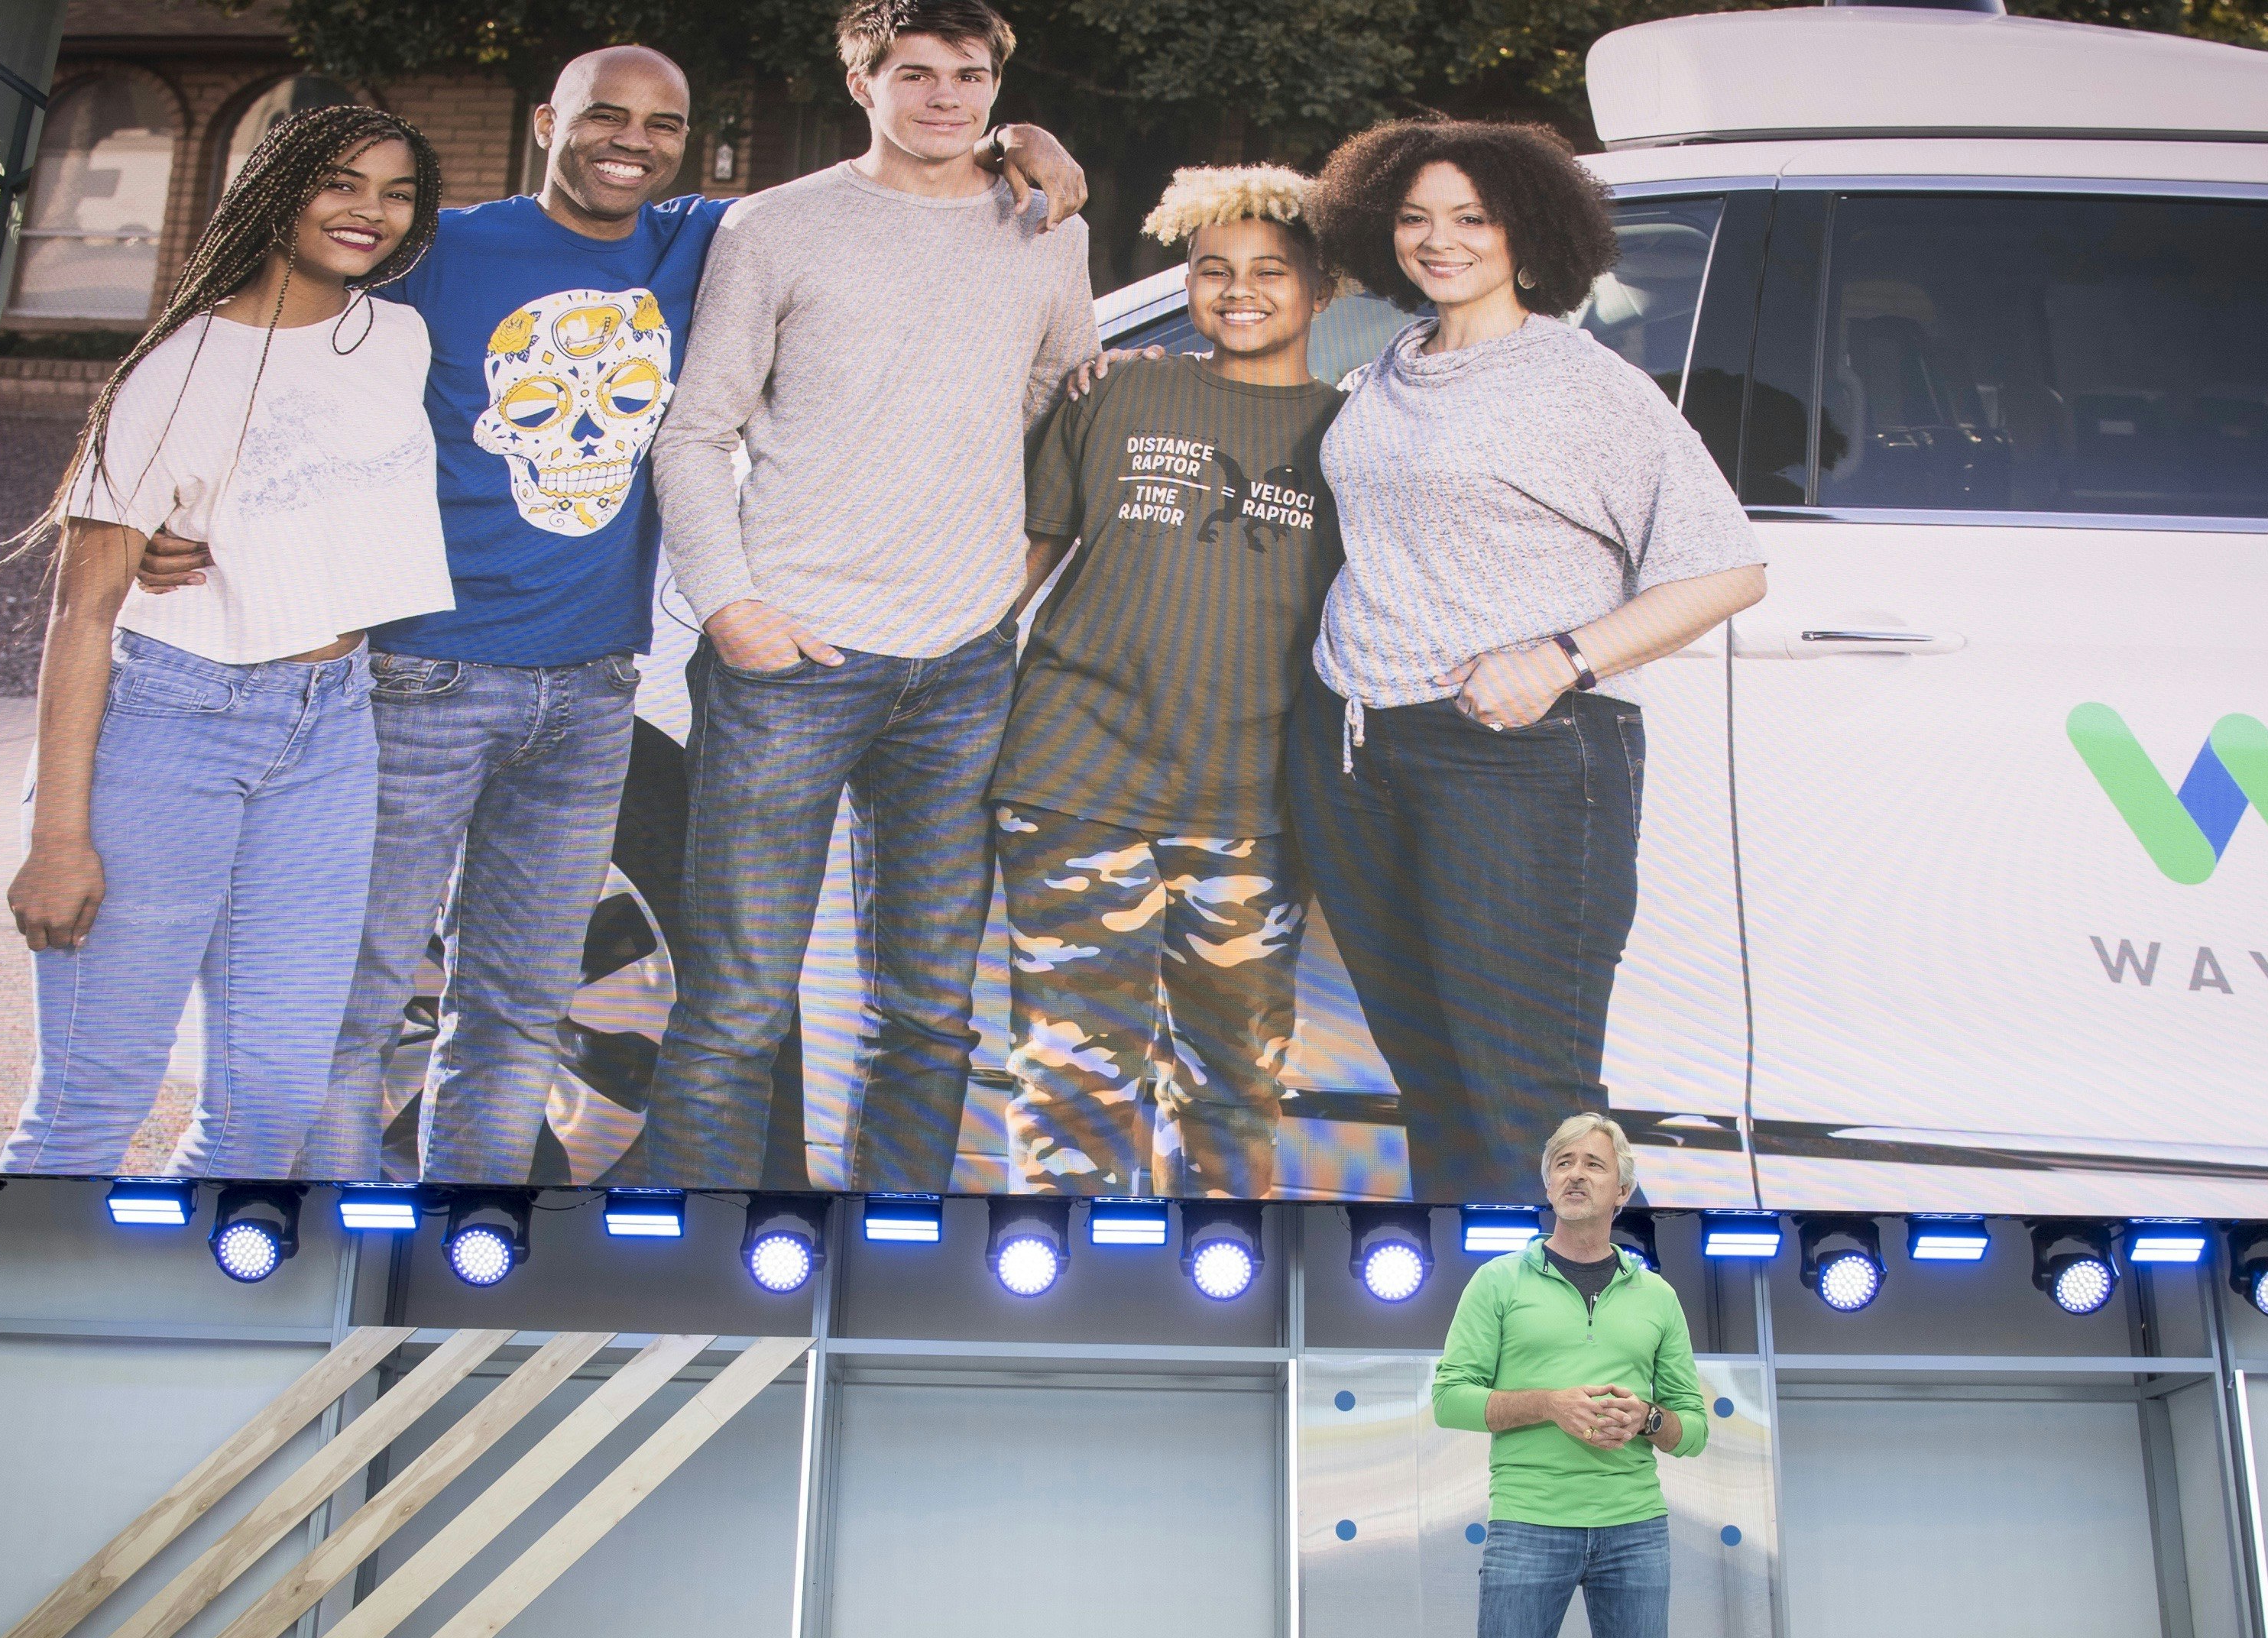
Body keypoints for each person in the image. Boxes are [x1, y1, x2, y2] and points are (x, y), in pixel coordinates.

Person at [131, 48, 1086, 1184]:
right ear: (547, 122)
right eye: (603, 117)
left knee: (514, 1013)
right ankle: (339, 1244)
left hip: (592, 685)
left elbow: (891, 209)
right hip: (424, 672)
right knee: (364, 997)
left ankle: (464, 1238)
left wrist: (1014, 143)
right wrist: (176, 500)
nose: (629, 140)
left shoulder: (698, 242)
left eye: (662, 124)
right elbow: (268, 348)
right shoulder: (445, 247)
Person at [647, 0, 1098, 1193]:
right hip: (792, 654)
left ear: (998, 91)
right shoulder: (777, 227)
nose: (945, 97)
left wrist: (1010, 584)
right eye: (915, 73)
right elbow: (695, 432)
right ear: (863, 84)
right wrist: (732, 607)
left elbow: (1060, 415)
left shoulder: (1046, 230)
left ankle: (889, 1251)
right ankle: (703, 1255)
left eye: (968, 76)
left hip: (962, 665)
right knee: (738, 1004)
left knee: (931, 1009)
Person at [1288, 121, 1767, 1205]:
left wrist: (1562, 657)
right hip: (1356, 748)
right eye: (1414, 218)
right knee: (1435, 1080)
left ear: (1528, 231)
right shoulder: (1392, 367)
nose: (1438, 240)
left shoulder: (1582, 385)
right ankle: (1484, 1350)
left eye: (1472, 218)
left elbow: (1728, 569)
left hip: (1515, 758)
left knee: (1529, 1095)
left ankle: (1610, 1358)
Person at [0, 108, 450, 1178]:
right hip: (171, 726)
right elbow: (81, 614)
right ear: (276, 191)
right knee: (89, 1103)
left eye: (394, 192)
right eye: (339, 183)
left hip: (334, 724)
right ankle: (7, 1326)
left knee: (272, 1106)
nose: (369, 212)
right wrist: (60, 840)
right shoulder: (175, 375)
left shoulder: (397, 336)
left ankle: (158, 1318)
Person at [996, 167, 1343, 1198]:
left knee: (1235, 1086)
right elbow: (1018, 562)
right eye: (1212, 270)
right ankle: (1059, 1304)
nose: (1239, 291)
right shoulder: (1123, 390)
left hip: (1251, 799)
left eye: (1271, 272)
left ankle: (1221, 1299)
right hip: (1075, 778)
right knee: (1071, 1078)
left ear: (1323, 291)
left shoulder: (1354, 435)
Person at [1432, 1113, 1706, 1638]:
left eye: (1593, 1163)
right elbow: (1449, 1399)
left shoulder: (1658, 1296)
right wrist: (1549, 1404)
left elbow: (1694, 1427)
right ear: (1549, 1185)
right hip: (1528, 1524)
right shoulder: (1498, 1281)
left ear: (1623, 1192)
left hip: (1636, 1530)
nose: (1575, 1173)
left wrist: (1647, 1418)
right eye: (1563, 1163)